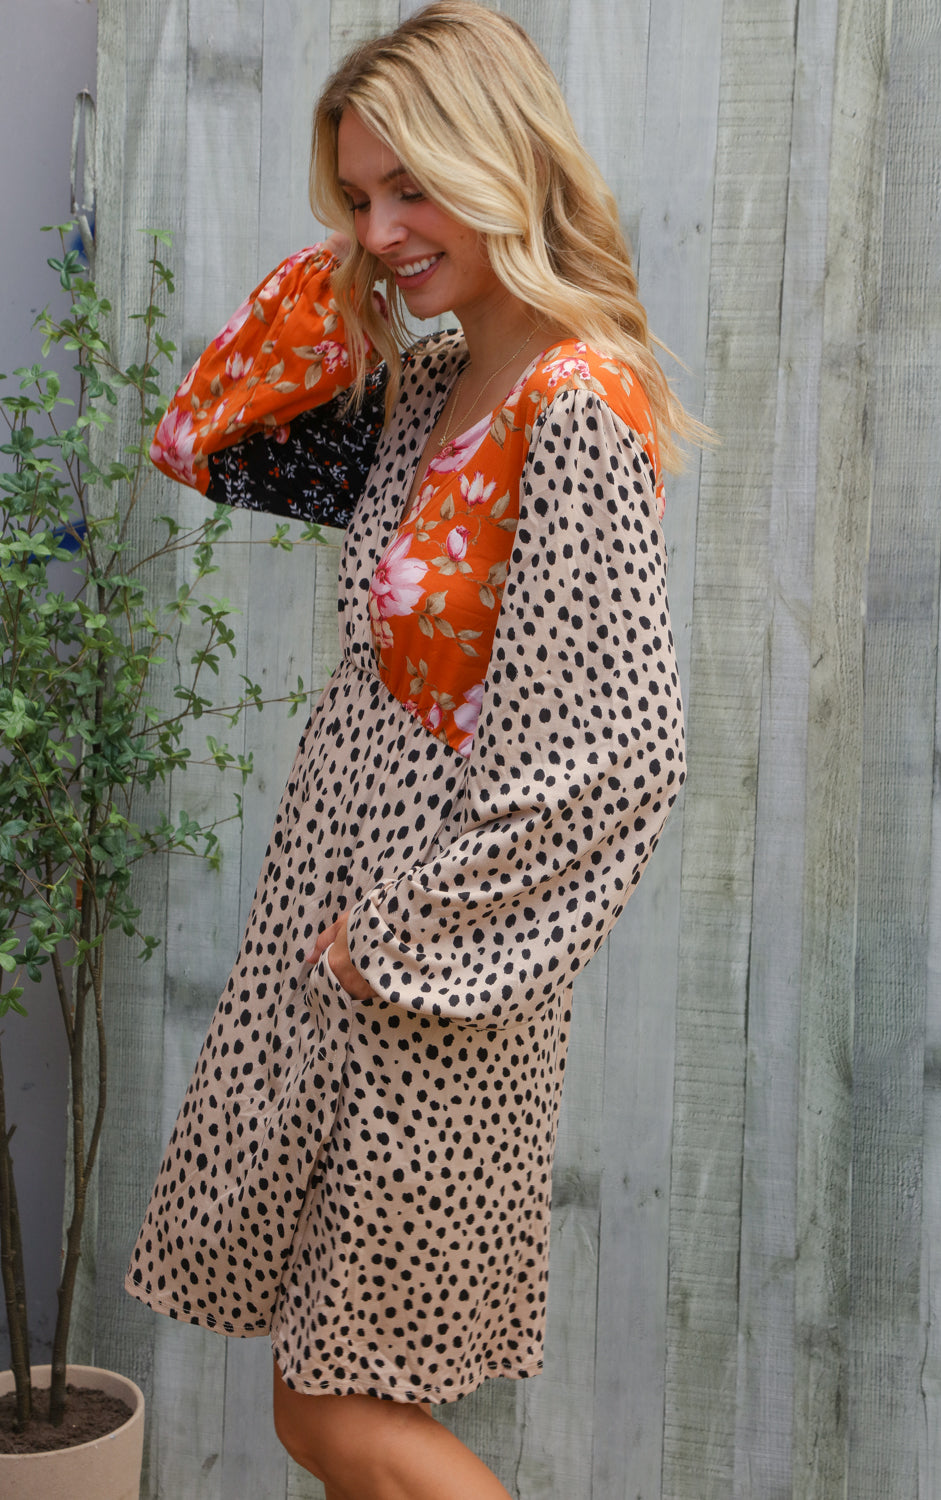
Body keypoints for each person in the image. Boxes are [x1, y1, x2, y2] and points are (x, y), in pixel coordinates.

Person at [128, 5, 699, 1496]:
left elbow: (620, 751)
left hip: (427, 969)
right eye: (358, 197)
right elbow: (201, 434)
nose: (382, 232)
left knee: (335, 1413)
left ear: (504, 160)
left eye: (413, 188)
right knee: (317, 1408)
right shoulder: (432, 389)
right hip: (335, 936)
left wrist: (399, 944)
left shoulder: (575, 402)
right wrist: (348, 277)